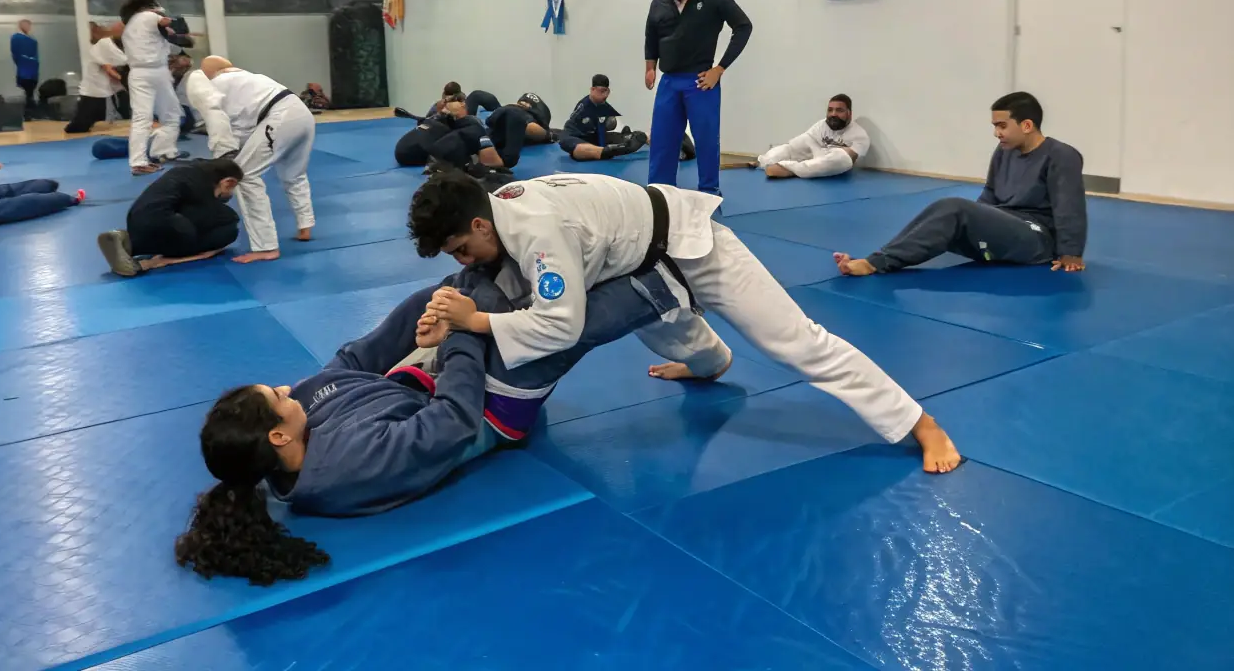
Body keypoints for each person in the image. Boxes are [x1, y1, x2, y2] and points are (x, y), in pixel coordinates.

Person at [174, 256, 726, 584]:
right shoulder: (347, 470)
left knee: (477, 280)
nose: (285, 386)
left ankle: (681, 326)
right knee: (560, 328)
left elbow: (349, 363)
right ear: (278, 434)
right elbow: (454, 420)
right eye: (276, 395)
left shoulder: (291, 434)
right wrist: (463, 330)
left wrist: (438, 304)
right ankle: (668, 279)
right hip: (488, 410)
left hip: (427, 378)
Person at [412, 171, 962, 474]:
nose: (463, 262)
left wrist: (478, 321)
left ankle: (919, 422)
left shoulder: (534, 230)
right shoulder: (503, 208)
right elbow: (534, 288)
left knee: (797, 343)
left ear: (480, 221)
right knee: (652, 321)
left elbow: (561, 327)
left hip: (695, 248)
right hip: (633, 258)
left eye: (461, 248)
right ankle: (712, 360)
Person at [836, 91, 1087, 276]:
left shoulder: (1061, 155)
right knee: (941, 210)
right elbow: (990, 194)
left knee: (953, 207)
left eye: (1002, 126)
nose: (996, 133)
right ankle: (877, 257)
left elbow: (1069, 207)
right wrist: (978, 222)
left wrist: (1071, 254)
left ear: (1027, 125)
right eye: (994, 126)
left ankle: (874, 264)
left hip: (1036, 239)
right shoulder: (1004, 151)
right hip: (1007, 228)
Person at [645, 0, 752, 196]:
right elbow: (651, 35)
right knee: (662, 141)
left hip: (701, 82)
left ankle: (708, 194)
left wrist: (720, 68)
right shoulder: (659, 3)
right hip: (669, 81)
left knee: (705, 142)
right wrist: (650, 66)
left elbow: (744, 26)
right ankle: (660, 193)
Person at [194, 56, 316, 264]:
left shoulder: (216, 86)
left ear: (208, 75)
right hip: (302, 115)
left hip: (280, 117)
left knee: (245, 175)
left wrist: (222, 166)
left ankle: (266, 247)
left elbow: (228, 130)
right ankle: (305, 226)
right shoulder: (250, 78)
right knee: (294, 174)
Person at [97, 157, 243, 276]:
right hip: (165, 225)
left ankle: (130, 244)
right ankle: (143, 249)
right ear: (228, 182)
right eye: (231, 188)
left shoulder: (188, 171)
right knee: (229, 227)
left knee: (179, 216)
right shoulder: (203, 189)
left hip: (136, 220)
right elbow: (226, 216)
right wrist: (163, 261)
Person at [120, 0, 186, 175]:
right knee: (168, 115)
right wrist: (171, 25)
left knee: (151, 116)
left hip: (142, 72)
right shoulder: (149, 16)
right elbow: (172, 24)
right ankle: (147, 158)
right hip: (154, 71)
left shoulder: (131, 24)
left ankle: (160, 152)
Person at [753, 94, 870, 179]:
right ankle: (763, 161)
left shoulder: (859, 135)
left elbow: (849, 159)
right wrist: (816, 152)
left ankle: (790, 169)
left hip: (834, 165)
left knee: (842, 158)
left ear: (849, 113)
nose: (833, 114)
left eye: (839, 110)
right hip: (816, 158)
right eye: (830, 110)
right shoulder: (822, 124)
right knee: (794, 144)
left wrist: (821, 155)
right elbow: (805, 142)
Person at [560, 75, 647, 162]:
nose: (605, 95)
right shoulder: (584, 106)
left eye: (607, 92)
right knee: (576, 147)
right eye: (601, 91)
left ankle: (624, 140)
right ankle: (612, 150)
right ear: (592, 90)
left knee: (615, 136)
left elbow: (601, 130)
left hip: (591, 137)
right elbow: (575, 125)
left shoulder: (603, 106)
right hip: (574, 136)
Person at [64, 22, 127, 134]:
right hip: (95, 87)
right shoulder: (104, 44)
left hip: (103, 87)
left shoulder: (114, 45)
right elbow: (110, 67)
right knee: (79, 126)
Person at [394, 94, 483, 167]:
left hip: (401, 150)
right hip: (410, 154)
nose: (463, 105)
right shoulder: (456, 126)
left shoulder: (434, 118)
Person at [10, 19, 39, 117]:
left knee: (30, 90)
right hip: (25, 70)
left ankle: (31, 111)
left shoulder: (32, 40)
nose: (28, 28)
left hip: (32, 70)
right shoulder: (16, 38)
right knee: (28, 90)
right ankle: (29, 112)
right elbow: (15, 54)